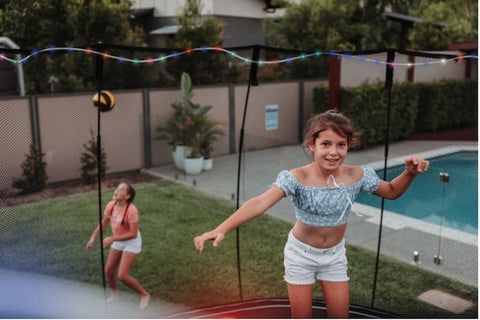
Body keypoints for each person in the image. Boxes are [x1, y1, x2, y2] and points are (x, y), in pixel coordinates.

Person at [194, 110, 429, 318]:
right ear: (312, 145)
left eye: (341, 145)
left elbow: (391, 191)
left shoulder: (357, 175)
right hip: (301, 255)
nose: (333, 152)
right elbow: (259, 203)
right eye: (326, 144)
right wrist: (221, 228)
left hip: (335, 256)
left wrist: (409, 173)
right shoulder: (297, 177)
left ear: (348, 146)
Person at [86, 182, 150, 310]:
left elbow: (132, 234)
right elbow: (103, 223)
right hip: (118, 240)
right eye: (117, 188)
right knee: (109, 271)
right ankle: (114, 296)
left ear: (127, 196)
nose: (116, 190)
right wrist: (92, 238)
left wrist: (112, 239)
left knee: (122, 276)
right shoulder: (111, 205)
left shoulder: (132, 210)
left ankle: (144, 295)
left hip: (132, 241)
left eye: (121, 189)